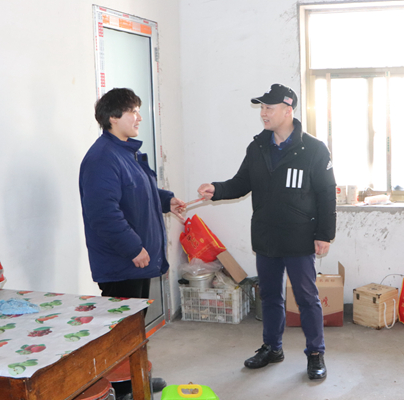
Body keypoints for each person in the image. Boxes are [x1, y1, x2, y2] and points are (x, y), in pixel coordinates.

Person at [197, 83, 336, 380]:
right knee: (270, 296)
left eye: (268, 108)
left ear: (288, 110)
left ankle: (315, 353)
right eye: (261, 107)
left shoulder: (313, 149)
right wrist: (216, 189)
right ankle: (272, 348)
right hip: (266, 236)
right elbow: (241, 182)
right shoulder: (258, 147)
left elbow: (327, 194)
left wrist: (324, 234)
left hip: (299, 237)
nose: (263, 113)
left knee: (306, 297)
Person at [79, 88, 185, 394]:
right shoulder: (102, 158)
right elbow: (103, 214)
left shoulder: (126, 152)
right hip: (122, 260)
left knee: (133, 326)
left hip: (135, 258)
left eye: (138, 110)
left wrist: (166, 200)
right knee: (120, 330)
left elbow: (138, 192)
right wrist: (133, 248)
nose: (139, 117)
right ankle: (124, 387)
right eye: (132, 112)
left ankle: (134, 379)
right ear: (113, 118)